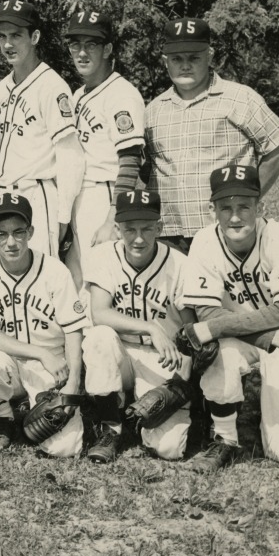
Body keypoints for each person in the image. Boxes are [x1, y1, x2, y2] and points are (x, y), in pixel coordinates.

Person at [180, 165, 279, 471]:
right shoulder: (204, 241)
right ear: (212, 209)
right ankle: (225, 439)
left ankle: (262, 409)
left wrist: (213, 327)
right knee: (218, 350)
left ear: (260, 206)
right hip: (254, 336)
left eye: (244, 206)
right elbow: (208, 313)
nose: (235, 216)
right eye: (225, 207)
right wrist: (266, 338)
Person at [143, 18, 279, 253]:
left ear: (210, 55)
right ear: (165, 62)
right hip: (169, 234)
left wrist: (245, 200)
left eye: (194, 57)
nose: (185, 65)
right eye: (176, 59)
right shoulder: (153, 110)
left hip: (224, 228)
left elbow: (278, 151)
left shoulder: (240, 98)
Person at [0, 194, 88, 457]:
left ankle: (26, 405)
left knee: (65, 450)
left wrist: (73, 382)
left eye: (18, 232)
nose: (10, 242)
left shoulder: (55, 271)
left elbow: (74, 330)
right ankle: (4, 419)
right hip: (8, 365)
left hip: (53, 368)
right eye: (1, 234)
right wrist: (40, 353)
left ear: (30, 232)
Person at [81, 189, 194, 463]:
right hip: (118, 351)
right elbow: (100, 313)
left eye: (147, 228)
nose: (139, 238)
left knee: (169, 449)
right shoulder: (102, 256)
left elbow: (191, 328)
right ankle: (111, 427)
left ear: (160, 227)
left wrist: (183, 382)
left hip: (162, 359)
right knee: (99, 337)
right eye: (130, 229)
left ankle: (134, 414)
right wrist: (151, 327)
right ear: (117, 229)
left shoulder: (179, 264)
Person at [0, 0, 85, 261]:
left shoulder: (52, 87)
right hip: (3, 193)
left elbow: (71, 156)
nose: (8, 44)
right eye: (3, 36)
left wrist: (63, 216)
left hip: (36, 194)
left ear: (34, 37)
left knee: (42, 280)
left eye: (16, 35)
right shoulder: (1, 89)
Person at [64, 10, 145, 281]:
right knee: (77, 281)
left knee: (103, 281)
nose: (82, 53)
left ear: (108, 48)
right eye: (76, 44)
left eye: (91, 44)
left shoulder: (122, 95)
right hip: (80, 197)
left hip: (105, 194)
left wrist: (113, 217)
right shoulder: (77, 95)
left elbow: (131, 158)